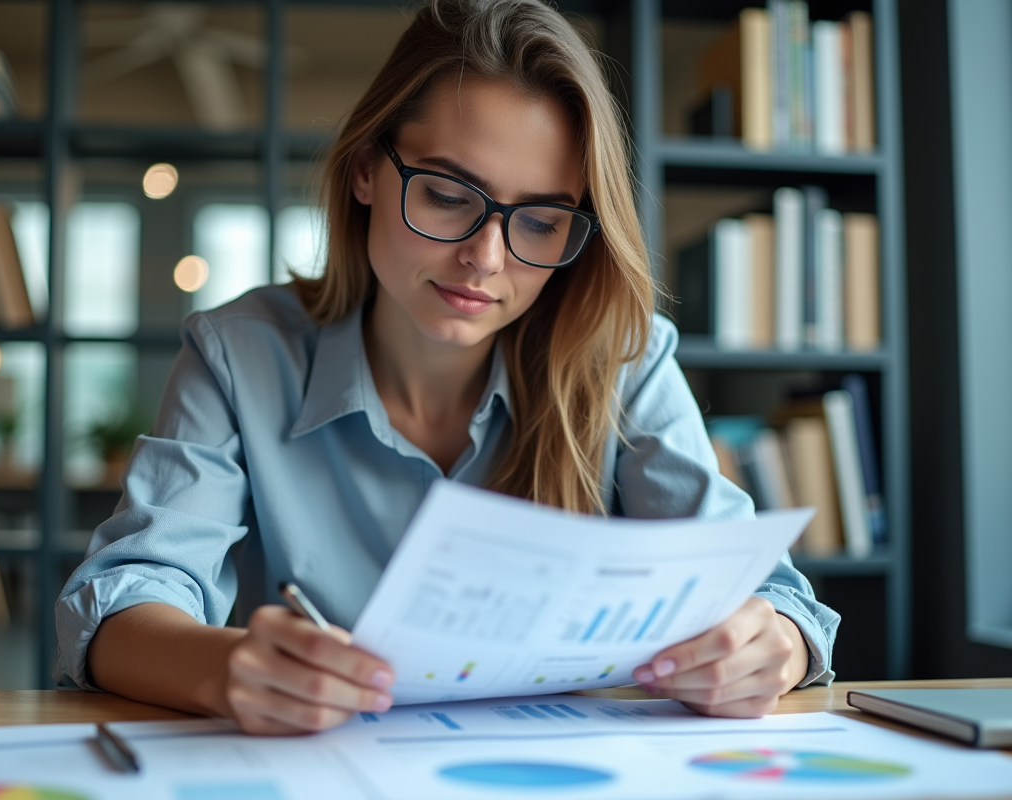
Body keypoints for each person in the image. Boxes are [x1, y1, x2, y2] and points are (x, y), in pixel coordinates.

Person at [55, 0, 839, 735]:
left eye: (539, 220)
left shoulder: (621, 360)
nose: (485, 259)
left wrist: (772, 646)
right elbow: (125, 602)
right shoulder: (238, 354)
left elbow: (772, 601)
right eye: (446, 195)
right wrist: (230, 669)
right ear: (365, 169)